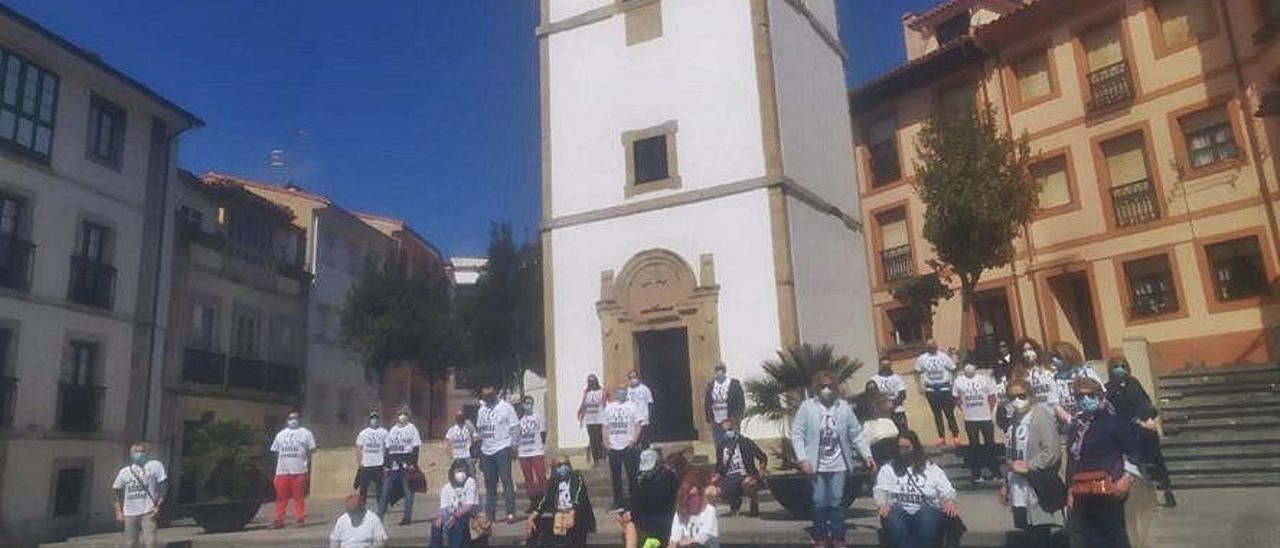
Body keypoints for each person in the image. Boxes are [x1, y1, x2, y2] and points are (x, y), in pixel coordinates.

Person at [791, 371, 875, 548]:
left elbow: (856, 434)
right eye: (822, 386)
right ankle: (820, 537)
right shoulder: (807, 407)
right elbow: (797, 434)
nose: (826, 389)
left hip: (838, 464)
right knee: (820, 501)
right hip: (816, 464)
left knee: (836, 501)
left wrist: (866, 455)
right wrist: (803, 459)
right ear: (816, 388)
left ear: (835, 387)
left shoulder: (843, 407)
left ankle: (838, 538)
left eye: (830, 385)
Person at [1067, 377, 1145, 548]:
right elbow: (1073, 460)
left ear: (1101, 397)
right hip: (1083, 490)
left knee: (1114, 536)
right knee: (1091, 538)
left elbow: (1134, 452)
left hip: (1109, 487)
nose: (1085, 400)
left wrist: (1126, 479)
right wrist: (1070, 490)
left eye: (1090, 395)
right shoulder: (1076, 426)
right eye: (1080, 396)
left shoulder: (1115, 422)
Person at [1106, 357, 1176, 508]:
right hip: (1130, 431)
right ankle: (1153, 495)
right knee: (1140, 463)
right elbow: (1118, 412)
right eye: (1116, 366)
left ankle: (1167, 492)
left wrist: (1153, 420)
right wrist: (1138, 421)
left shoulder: (1133, 383)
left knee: (1156, 461)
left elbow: (1146, 402)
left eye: (1123, 366)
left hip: (1147, 430)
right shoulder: (1109, 389)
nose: (1120, 369)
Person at [998, 379, 1064, 536]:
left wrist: (1030, 465)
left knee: (1042, 531)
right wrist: (1005, 483)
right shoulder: (1014, 418)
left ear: (1031, 396)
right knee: (1027, 531)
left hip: (1038, 485)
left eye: (1021, 396)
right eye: (1012, 397)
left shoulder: (1041, 415)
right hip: (1018, 486)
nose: (1017, 401)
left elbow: (1052, 451)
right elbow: (1011, 454)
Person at [874, 430, 960, 548]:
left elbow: (947, 489)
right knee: (892, 515)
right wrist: (882, 503)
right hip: (898, 509)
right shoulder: (888, 469)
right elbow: (880, 489)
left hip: (926, 508)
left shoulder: (930, 468)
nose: (903, 451)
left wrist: (949, 501)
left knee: (928, 515)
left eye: (907, 448)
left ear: (915, 447)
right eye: (900, 448)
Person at [527, 455, 597, 547]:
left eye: (566, 464)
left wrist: (572, 511)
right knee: (535, 524)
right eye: (559, 465)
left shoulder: (576, 476)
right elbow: (546, 499)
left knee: (570, 531)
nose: (563, 467)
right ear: (554, 468)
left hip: (576, 514)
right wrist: (533, 515)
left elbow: (578, 494)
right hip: (560, 515)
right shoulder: (554, 482)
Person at [477, 384, 520, 522]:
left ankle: (511, 512)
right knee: (489, 483)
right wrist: (478, 450)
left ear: (495, 393)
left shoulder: (506, 407)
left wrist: (514, 446)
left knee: (506, 480)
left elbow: (515, 427)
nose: (488, 398)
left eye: (490, 395)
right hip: (486, 450)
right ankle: (490, 513)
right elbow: (480, 431)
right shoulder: (482, 410)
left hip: (502, 448)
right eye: (485, 396)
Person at [112, 442, 167, 548]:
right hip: (130, 512)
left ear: (146, 452)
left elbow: (163, 485)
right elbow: (116, 491)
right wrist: (118, 511)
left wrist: (158, 505)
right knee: (131, 543)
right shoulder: (125, 472)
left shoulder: (154, 466)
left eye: (140, 451)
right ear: (131, 454)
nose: (138, 454)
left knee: (150, 542)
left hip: (148, 510)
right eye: (135, 452)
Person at [952, 363, 999, 484]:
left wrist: (989, 411)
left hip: (985, 418)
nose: (969, 368)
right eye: (966, 365)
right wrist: (965, 411)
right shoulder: (958, 381)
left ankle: (996, 472)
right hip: (970, 419)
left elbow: (992, 396)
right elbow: (956, 398)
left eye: (971, 365)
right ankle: (976, 474)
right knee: (974, 447)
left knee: (991, 445)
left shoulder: (985, 379)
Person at [269, 410, 317, 529]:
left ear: (299, 419)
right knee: (281, 497)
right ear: (287, 420)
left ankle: (300, 518)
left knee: (298, 497)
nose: (293, 420)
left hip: (299, 470)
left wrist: (306, 464)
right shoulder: (280, 435)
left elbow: (312, 450)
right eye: (290, 418)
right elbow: (274, 451)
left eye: (295, 418)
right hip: (282, 471)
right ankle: (279, 520)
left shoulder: (306, 433)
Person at [710, 418, 767, 517]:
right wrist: (713, 480)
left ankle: (753, 501)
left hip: (746, 475)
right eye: (725, 431)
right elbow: (719, 468)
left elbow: (762, 457)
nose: (728, 433)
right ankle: (735, 502)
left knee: (748, 483)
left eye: (730, 430)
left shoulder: (746, 442)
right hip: (729, 478)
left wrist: (761, 470)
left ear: (735, 429)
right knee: (712, 491)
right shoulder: (721, 447)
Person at [625, 449, 679, 546]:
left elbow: (638, 505)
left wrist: (631, 513)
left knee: (630, 525)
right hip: (668, 519)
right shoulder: (672, 476)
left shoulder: (644, 482)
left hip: (653, 522)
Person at [379, 407, 422, 525]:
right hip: (393, 465)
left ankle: (407, 518)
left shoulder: (412, 428)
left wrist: (413, 463)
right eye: (400, 414)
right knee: (385, 493)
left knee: (408, 493)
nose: (402, 416)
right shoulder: (392, 430)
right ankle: (379, 517)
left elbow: (416, 447)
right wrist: (386, 465)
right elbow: (387, 448)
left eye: (404, 414)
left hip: (406, 465)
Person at [603, 384, 644, 509]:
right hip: (613, 447)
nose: (621, 392)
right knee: (616, 476)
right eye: (619, 390)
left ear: (626, 392)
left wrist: (634, 440)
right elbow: (605, 426)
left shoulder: (632, 406)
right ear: (616, 392)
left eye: (623, 390)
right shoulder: (609, 407)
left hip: (628, 446)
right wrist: (605, 442)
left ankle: (635, 500)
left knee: (632, 475)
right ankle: (618, 501)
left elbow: (638, 424)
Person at [914, 340, 960, 447]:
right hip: (931, 390)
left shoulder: (943, 357)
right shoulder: (922, 358)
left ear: (936, 346)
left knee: (949, 413)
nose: (932, 347)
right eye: (929, 345)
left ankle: (955, 435)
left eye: (933, 345)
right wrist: (919, 387)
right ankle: (941, 437)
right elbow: (916, 372)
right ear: (926, 347)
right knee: (937, 415)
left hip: (944, 388)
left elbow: (953, 369)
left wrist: (953, 384)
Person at [430, 460, 478, 548]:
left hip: (468, 516)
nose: (461, 473)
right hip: (451, 515)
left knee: (457, 525)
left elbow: (469, 506)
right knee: (436, 525)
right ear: (452, 472)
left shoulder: (470, 482)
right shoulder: (446, 488)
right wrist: (440, 518)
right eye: (458, 471)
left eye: (463, 470)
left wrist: (455, 516)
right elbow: (443, 508)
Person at [702, 363, 744, 446]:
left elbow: (740, 401)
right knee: (718, 442)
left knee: (733, 440)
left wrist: (739, 415)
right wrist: (709, 417)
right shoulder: (711, 385)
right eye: (717, 372)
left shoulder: (734, 384)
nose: (719, 375)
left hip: (731, 417)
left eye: (721, 372)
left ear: (725, 372)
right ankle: (720, 458)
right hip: (716, 418)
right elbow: (707, 402)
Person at [668, 481, 719, 548]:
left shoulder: (709, 510)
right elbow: (674, 537)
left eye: (696, 495)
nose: (694, 499)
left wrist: (687, 541)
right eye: (690, 496)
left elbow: (703, 537)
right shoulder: (680, 512)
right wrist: (673, 543)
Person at [517, 395, 548, 502]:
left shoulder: (538, 416)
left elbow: (543, 433)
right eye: (526, 403)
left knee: (541, 476)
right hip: (523, 452)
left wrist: (542, 447)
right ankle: (533, 502)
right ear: (522, 405)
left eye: (530, 403)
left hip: (536, 451)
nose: (528, 405)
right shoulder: (519, 420)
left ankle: (546, 499)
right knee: (528, 479)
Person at [355, 412, 388, 503]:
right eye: (372, 418)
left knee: (380, 487)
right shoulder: (363, 433)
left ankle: (381, 507)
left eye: (376, 418)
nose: (374, 420)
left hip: (379, 464)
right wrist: (360, 462)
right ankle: (361, 505)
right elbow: (358, 448)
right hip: (366, 464)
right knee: (363, 488)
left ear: (379, 420)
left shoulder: (384, 432)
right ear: (369, 420)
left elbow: (387, 448)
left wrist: (386, 463)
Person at [871, 356, 908, 430]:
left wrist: (892, 405)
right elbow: (872, 395)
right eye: (884, 365)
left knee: (903, 431)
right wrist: (883, 405)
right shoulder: (874, 379)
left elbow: (902, 394)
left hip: (897, 410)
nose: (886, 367)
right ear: (880, 366)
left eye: (887, 365)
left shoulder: (897, 378)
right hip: (882, 413)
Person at [577, 374, 607, 465]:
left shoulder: (602, 391)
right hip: (589, 420)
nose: (591, 383)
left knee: (599, 439)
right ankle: (596, 459)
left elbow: (605, 404)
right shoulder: (586, 392)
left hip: (599, 419)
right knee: (593, 439)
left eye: (592, 381)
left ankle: (602, 455)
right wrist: (581, 417)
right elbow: (584, 405)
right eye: (589, 381)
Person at [443, 410, 477, 478]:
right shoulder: (452, 430)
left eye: (460, 417)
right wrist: (450, 455)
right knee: (454, 476)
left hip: (467, 456)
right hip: (457, 457)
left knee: (471, 476)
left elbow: (475, 439)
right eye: (458, 417)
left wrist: (474, 454)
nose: (460, 419)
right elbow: (447, 444)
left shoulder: (468, 428)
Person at [627, 370, 654, 445]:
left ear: (638, 378)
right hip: (632, 423)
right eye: (630, 378)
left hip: (643, 421)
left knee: (644, 443)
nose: (633, 380)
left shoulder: (645, 389)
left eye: (634, 377)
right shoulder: (627, 390)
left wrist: (648, 417)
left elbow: (650, 403)